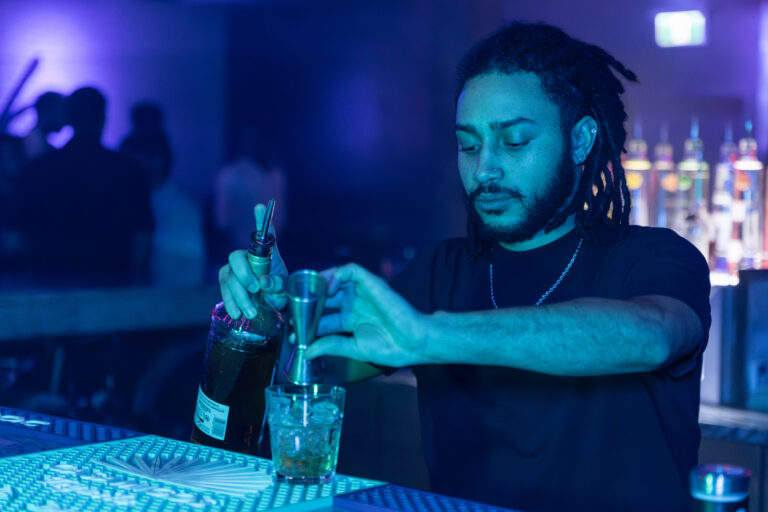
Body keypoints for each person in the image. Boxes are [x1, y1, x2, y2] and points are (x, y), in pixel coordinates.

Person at [218, 23, 710, 512]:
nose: (484, 169)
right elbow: (313, 367)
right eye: (469, 145)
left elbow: (653, 337)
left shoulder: (654, 257)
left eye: (515, 141)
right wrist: (273, 315)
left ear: (580, 141)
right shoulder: (441, 272)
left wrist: (428, 337)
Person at [12, 87, 154, 287]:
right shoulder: (128, 169)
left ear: (68, 118)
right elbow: (142, 235)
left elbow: (20, 237)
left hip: (49, 284)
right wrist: (134, 283)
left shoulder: (37, 170)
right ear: (103, 118)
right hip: (112, 285)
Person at [120, 109, 205, 287]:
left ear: (158, 160)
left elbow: (190, 266)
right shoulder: (127, 199)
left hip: (168, 295)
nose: (127, 169)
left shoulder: (182, 207)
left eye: (133, 161)